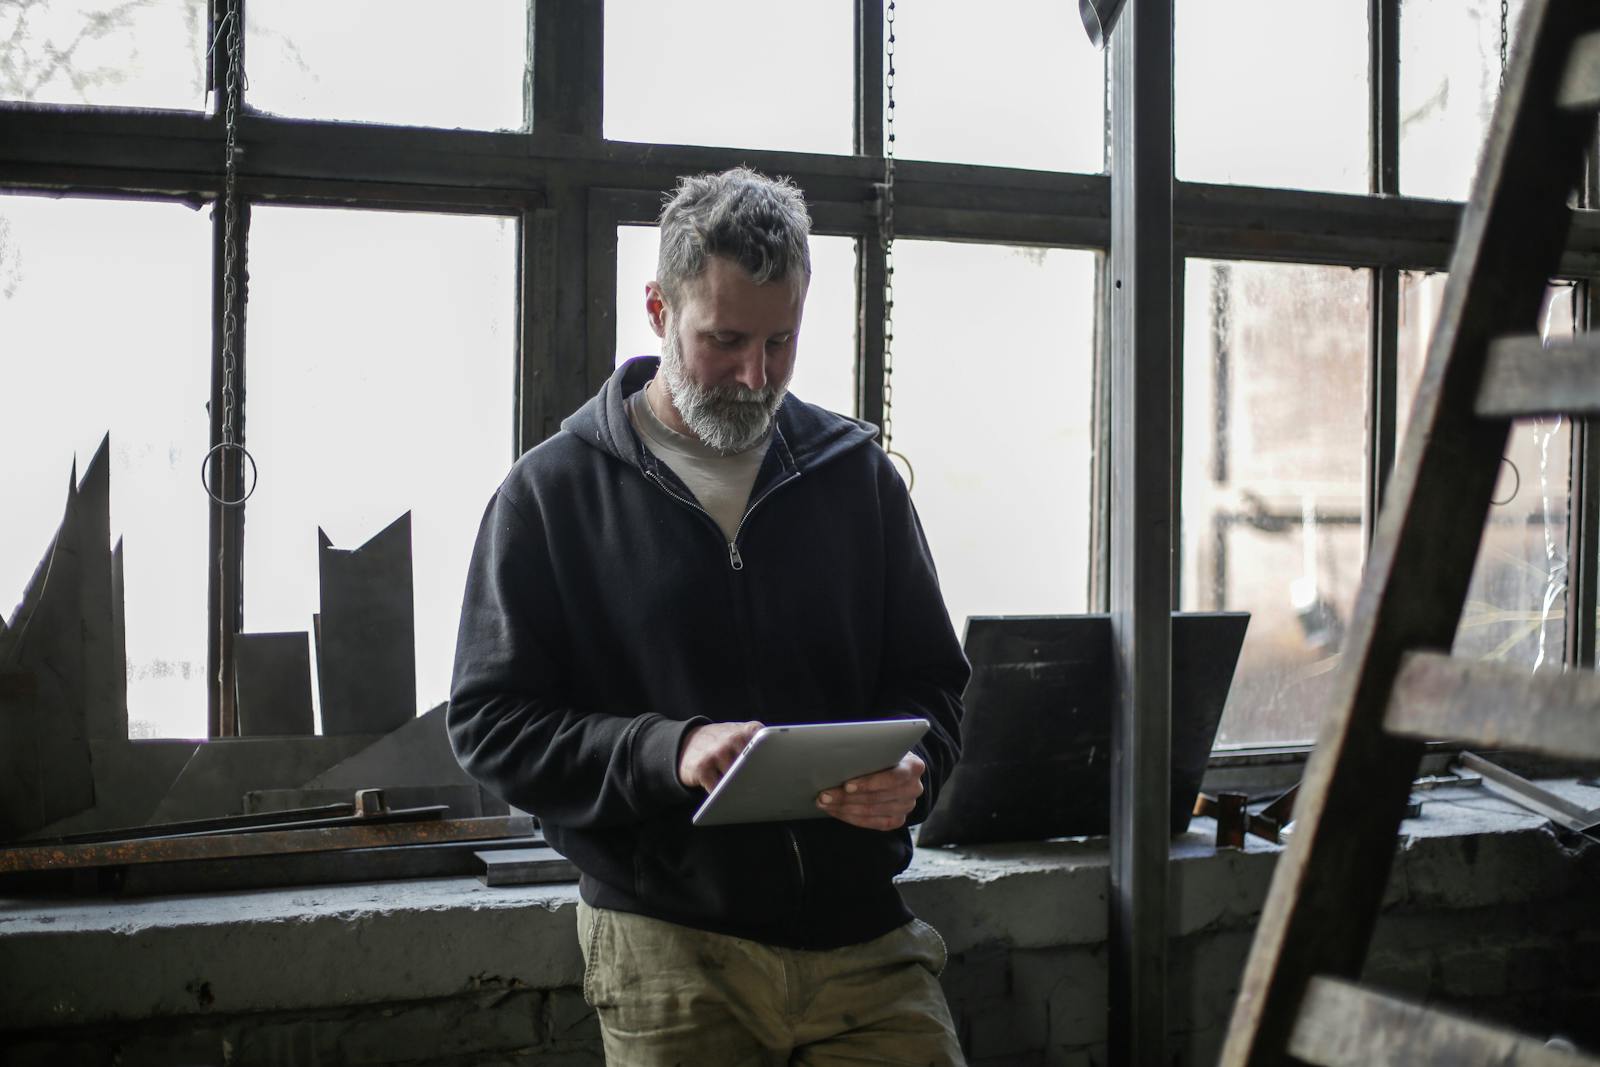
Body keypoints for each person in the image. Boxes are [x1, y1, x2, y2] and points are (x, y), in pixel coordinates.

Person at [448, 166, 970, 1066]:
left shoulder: (858, 477)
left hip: (865, 943)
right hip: (669, 948)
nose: (753, 375)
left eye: (781, 342)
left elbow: (935, 685)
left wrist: (915, 768)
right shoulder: (550, 494)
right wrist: (669, 750)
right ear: (657, 307)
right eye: (724, 339)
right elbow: (491, 723)